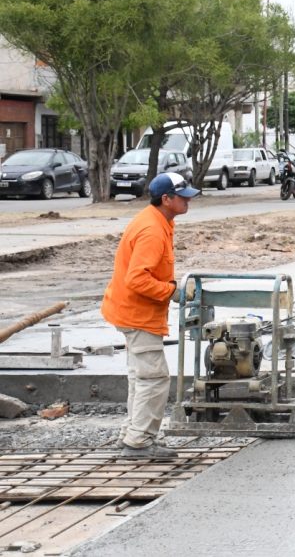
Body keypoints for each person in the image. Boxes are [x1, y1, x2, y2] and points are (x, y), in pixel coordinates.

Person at [101, 172, 200, 458]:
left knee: (140, 377)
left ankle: (132, 434)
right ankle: (139, 442)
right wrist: (173, 292)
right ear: (165, 199)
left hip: (132, 310)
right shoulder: (152, 230)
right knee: (154, 379)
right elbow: (137, 280)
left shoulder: (158, 221)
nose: (188, 201)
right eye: (182, 197)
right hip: (137, 314)